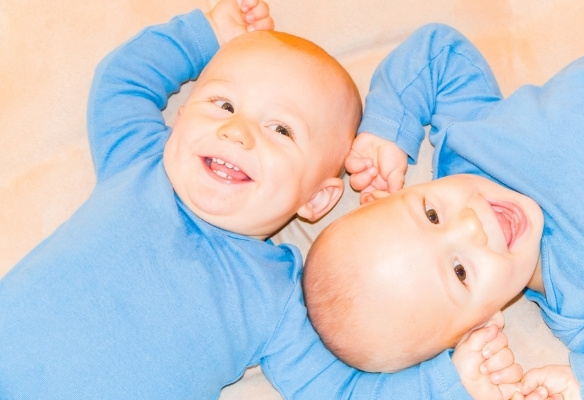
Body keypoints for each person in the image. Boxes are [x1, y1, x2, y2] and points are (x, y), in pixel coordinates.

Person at [0, 0, 523, 399]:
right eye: (223, 103)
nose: (237, 131)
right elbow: (121, 83)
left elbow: (340, 390)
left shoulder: (280, 296)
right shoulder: (139, 163)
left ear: (317, 200)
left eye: (280, 130)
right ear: (181, 119)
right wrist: (204, 35)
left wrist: (451, 380)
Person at [302, 1, 584, 399]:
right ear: (481, 325)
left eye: (433, 214)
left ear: (410, 191)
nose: (473, 224)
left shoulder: (469, 149)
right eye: (460, 271)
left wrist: (387, 129)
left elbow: (440, 53)